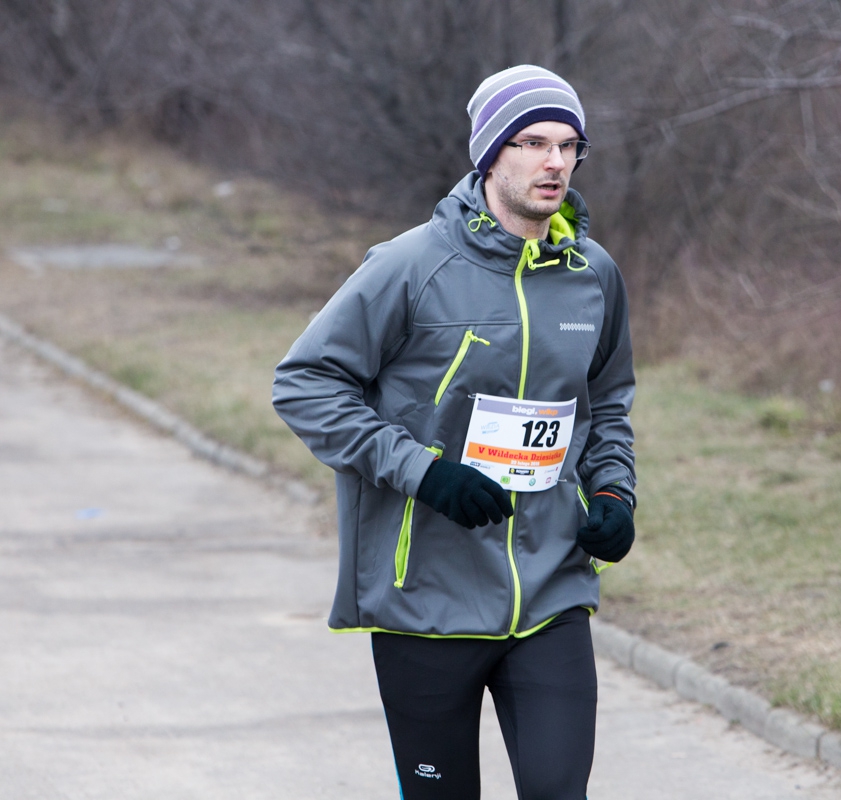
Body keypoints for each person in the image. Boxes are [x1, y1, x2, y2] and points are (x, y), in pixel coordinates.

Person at [272, 64, 636, 800]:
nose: (554, 162)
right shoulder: (410, 266)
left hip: (550, 588)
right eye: (533, 141)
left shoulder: (591, 275)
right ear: (491, 153)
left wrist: (613, 492)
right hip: (424, 596)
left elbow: (608, 399)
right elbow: (305, 382)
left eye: (569, 146)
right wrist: (424, 472)